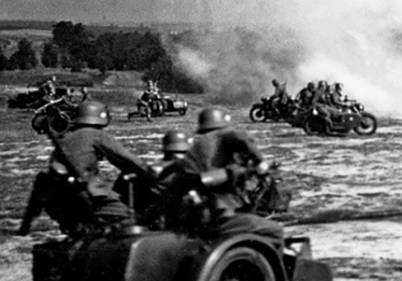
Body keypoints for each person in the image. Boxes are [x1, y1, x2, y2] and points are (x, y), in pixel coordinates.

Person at [17, 100, 155, 236]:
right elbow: (129, 160)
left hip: (58, 202)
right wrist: (152, 173)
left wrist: (25, 227)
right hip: (85, 197)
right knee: (135, 218)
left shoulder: (66, 139)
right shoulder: (95, 134)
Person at [166, 107, 282, 240]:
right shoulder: (223, 136)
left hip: (188, 214)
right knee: (275, 230)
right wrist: (260, 162)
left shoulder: (198, 146)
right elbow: (241, 138)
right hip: (212, 217)